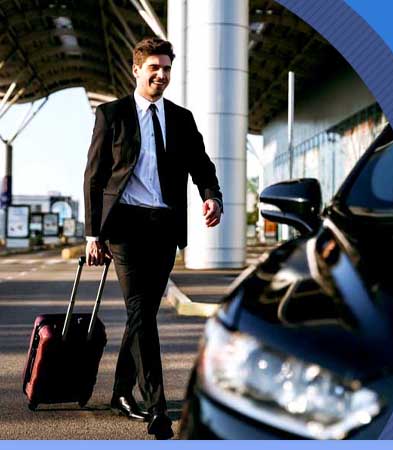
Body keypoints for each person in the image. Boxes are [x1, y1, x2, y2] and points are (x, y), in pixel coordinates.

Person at [83, 37, 222, 439]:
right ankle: (157, 406)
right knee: (141, 309)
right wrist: (93, 234)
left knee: (140, 314)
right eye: (154, 69)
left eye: (166, 69)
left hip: (164, 226)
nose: (161, 76)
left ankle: (120, 392)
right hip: (124, 227)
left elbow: (201, 164)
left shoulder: (181, 118)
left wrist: (212, 197)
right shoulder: (112, 115)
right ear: (136, 70)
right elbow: (94, 177)